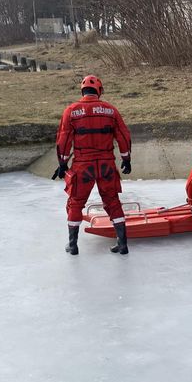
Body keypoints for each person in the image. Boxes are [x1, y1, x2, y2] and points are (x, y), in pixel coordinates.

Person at [55, 75, 132, 255]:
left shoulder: (71, 111)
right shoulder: (110, 110)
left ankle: (73, 245)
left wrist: (62, 163)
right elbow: (123, 136)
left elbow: (63, 139)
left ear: (82, 91)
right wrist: (126, 159)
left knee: (75, 204)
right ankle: (122, 244)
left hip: (83, 166)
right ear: (99, 90)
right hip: (106, 164)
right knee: (113, 202)